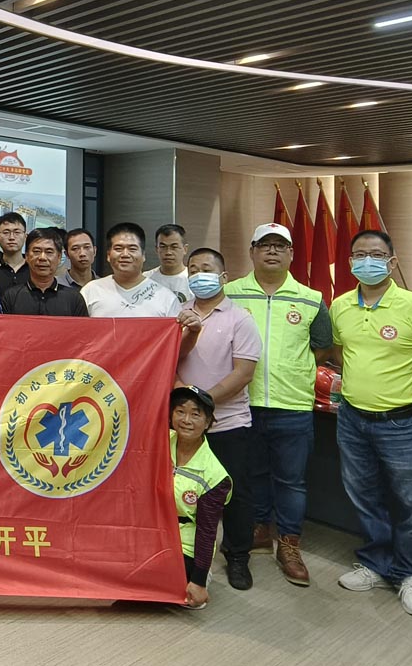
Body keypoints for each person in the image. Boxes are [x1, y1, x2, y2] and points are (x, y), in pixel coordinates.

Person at [331, 229, 412, 620]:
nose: (367, 261)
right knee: (364, 496)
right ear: (350, 262)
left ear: (392, 262)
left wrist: (399, 391)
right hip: (352, 419)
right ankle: (376, 563)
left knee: (411, 502)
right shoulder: (340, 306)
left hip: (403, 422)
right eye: (359, 254)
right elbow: (341, 354)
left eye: (376, 254)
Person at [224, 222, 331, 585]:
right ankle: (258, 529)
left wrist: (291, 371)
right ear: (252, 252)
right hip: (242, 402)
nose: (272, 251)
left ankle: (289, 543)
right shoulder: (230, 293)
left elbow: (322, 348)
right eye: (264, 245)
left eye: (279, 246)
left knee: (292, 481)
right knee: (249, 474)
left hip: (293, 404)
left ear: (291, 254)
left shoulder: (311, 298)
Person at [177, 248, 261, 591]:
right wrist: (185, 405)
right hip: (182, 424)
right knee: (181, 490)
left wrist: (203, 404)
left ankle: (238, 556)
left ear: (224, 277)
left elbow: (243, 373)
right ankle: (183, 553)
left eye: (207, 269)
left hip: (228, 422)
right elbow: (167, 360)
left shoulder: (240, 318)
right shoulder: (179, 314)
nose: (200, 275)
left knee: (234, 493)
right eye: (193, 269)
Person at [170, 385, 232, 611]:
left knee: (172, 587)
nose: (186, 420)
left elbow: (207, 531)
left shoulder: (215, 476)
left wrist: (198, 581)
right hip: (152, 532)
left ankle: (201, 575)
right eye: (180, 411)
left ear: (207, 422)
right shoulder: (158, 442)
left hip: (184, 543)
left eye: (195, 414)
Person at [80, 223, 182, 318]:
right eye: (118, 248)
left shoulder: (166, 297)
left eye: (132, 249)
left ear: (143, 255)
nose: (125, 254)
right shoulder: (90, 291)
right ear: (108, 255)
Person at [1, 228, 88, 316]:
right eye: (37, 251)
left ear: (59, 257)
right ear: (26, 256)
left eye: (49, 252)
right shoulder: (11, 297)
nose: (42, 257)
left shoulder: (74, 299)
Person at [0, 212, 30, 293]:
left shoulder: (34, 268)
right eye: (6, 232)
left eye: (17, 232)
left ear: (25, 236)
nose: (11, 237)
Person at [146, 223, 191, 303]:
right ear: (157, 249)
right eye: (163, 247)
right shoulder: (146, 278)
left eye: (174, 247)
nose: (168, 252)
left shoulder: (193, 279)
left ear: (185, 249)